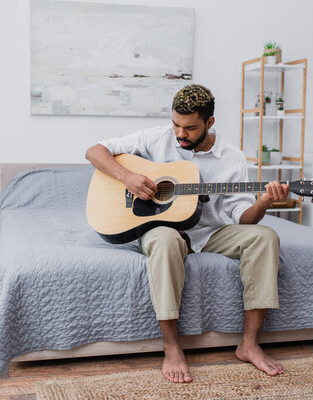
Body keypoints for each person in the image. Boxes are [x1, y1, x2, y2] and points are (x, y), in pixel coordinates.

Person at [85, 84, 289, 384]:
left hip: (211, 232)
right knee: (164, 240)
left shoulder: (231, 158)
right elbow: (94, 151)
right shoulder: (155, 138)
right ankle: (171, 345)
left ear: (209, 123)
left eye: (190, 128)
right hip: (164, 229)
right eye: (176, 125)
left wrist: (263, 201)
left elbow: (244, 220)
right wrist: (127, 177)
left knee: (265, 236)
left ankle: (248, 343)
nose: (180, 134)